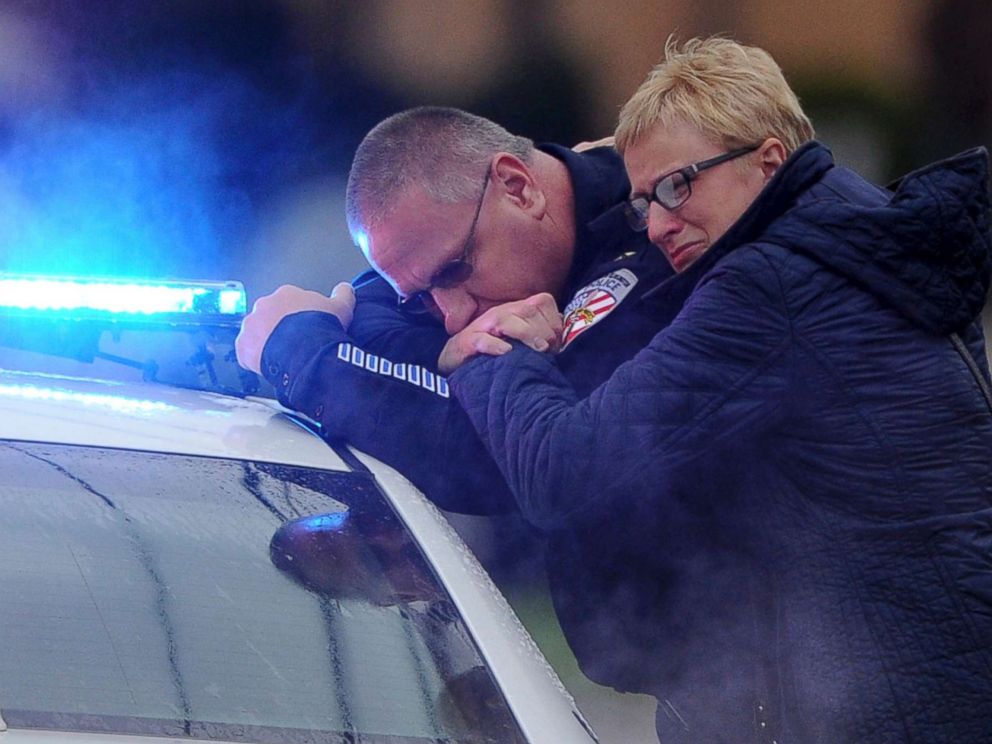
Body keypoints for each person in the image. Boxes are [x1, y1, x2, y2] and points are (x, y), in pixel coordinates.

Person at [445, 38, 992, 743]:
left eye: (679, 185)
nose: (660, 224)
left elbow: (564, 468)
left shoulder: (772, 285)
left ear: (769, 161)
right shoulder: (842, 242)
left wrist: (496, 353)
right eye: (644, 202)